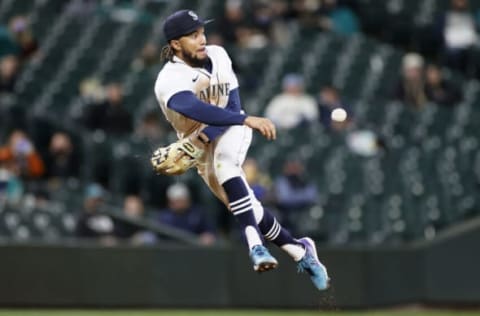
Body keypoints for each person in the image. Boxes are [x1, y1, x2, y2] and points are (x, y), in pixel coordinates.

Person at [153, 9, 329, 290]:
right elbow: (196, 109)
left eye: (202, 32)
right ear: (175, 43)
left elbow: (232, 108)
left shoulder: (219, 54)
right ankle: (300, 250)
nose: (202, 39)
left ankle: (255, 246)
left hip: (232, 128)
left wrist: (241, 121)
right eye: (193, 35)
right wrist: (204, 140)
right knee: (247, 205)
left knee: (226, 167)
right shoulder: (168, 79)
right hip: (198, 149)